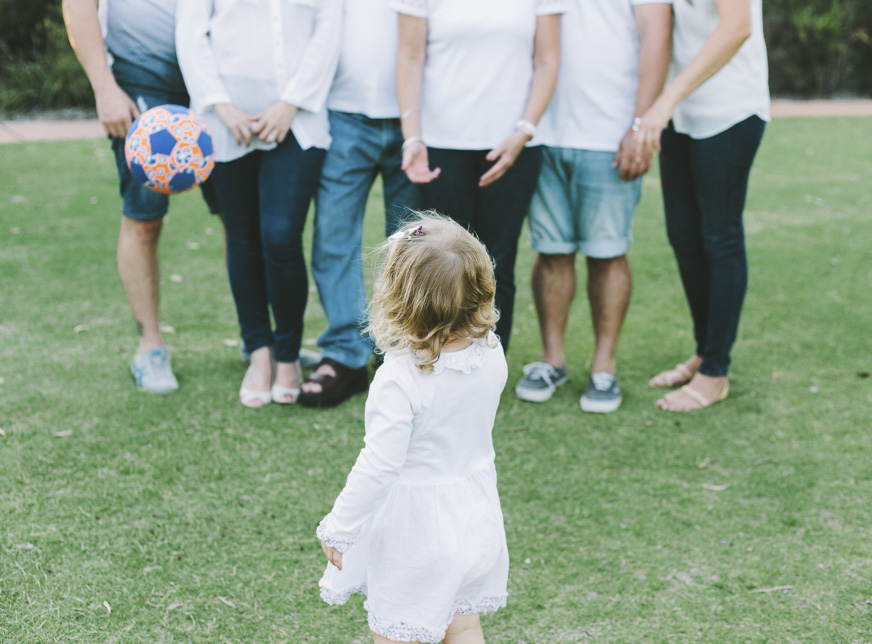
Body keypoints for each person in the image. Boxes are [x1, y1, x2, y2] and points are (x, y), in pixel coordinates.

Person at [317, 216, 509, 644]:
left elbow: (380, 464)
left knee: (396, 634)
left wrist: (340, 525)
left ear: (398, 297)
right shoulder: (491, 350)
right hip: (475, 514)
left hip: (418, 532)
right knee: (463, 624)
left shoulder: (400, 377)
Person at [176, 0, 341, 407]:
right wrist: (220, 104)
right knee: (242, 237)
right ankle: (259, 354)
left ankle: (288, 355)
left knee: (282, 236)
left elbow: (327, 30)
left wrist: (291, 103)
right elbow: (190, 34)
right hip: (227, 121)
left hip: (297, 119)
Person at [514, 0, 673, 413]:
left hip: (609, 133)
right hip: (540, 130)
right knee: (550, 252)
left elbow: (657, 36)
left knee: (608, 253)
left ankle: (604, 366)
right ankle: (552, 360)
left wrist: (639, 125)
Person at [63, 0, 223, 394]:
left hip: (216, 77)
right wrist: (105, 88)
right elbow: (77, 6)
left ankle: (264, 344)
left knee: (239, 217)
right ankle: (150, 347)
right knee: (145, 218)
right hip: (142, 80)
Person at [394, 0, 564, 350]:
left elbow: (547, 58)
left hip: (514, 145)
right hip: (442, 145)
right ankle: (437, 361)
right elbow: (410, 55)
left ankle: (487, 370)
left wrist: (524, 131)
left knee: (497, 263)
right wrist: (413, 136)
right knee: (439, 262)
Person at [632, 0, 770, 411]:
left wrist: (665, 98)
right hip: (680, 115)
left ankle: (716, 371)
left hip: (728, 112)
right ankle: (705, 351)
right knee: (684, 236)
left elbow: (737, 27)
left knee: (719, 237)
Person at [300, 0, 423, 409]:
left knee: (413, 243)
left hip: (417, 116)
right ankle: (345, 354)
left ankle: (403, 346)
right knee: (334, 237)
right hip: (342, 114)